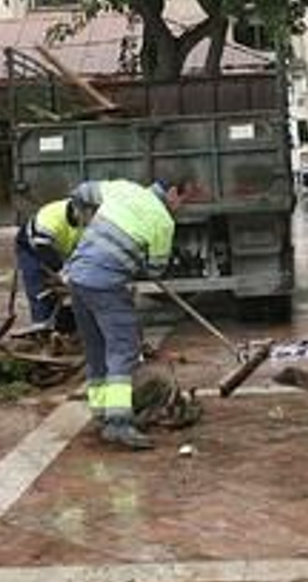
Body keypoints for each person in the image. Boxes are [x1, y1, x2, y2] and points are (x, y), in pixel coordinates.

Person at [63, 177, 195, 450]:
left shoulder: (123, 188)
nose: (182, 206)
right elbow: (157, 270)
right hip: (105, 283)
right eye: (183, 199)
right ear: (172, 191)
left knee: (96, 346)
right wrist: (139, 258)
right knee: (123, 349)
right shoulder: (164, 223)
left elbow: (80, 192)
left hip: (76, 278)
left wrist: (87, 220)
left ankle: (101, 411)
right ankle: (119, 423)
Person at [16, 196, 85, 334]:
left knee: (69, 287)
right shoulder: (50, 218)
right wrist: (63, 273)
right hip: (33, 247)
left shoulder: (90, 219)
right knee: (39, 286)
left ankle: (64, 326)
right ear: (75, 208)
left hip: (62, 246)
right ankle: (42, 327)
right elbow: (43, 249)